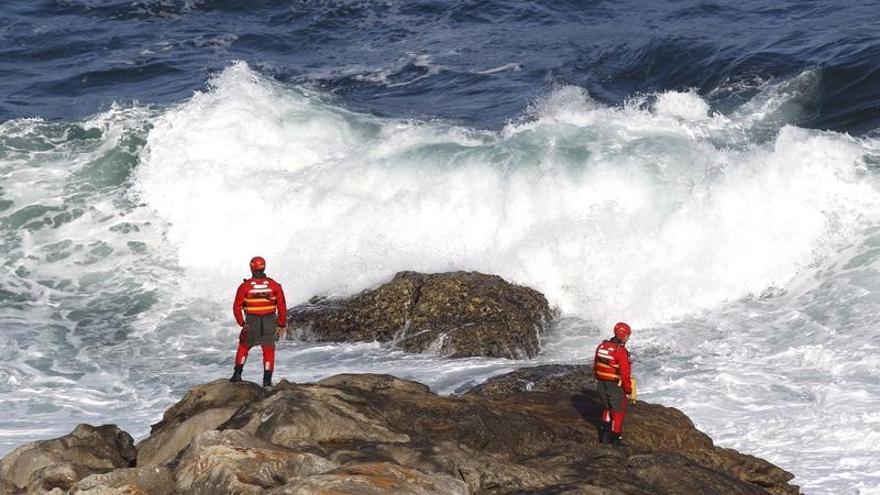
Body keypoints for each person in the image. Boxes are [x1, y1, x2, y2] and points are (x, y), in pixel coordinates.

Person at [230, 256, 287, 387]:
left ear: (251, 268)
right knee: (268, 350)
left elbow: (236, 307)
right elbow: (282, 306)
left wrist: (242, 323)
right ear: (264, 267)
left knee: (244, 346)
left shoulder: (244, 286)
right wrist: (282, 324)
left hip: (252, 321)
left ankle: (237, 375)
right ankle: (267, 381)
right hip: (270, 321)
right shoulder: (274, 285)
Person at [593, 321, 633, 447]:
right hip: (614, 386)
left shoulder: (601, 346)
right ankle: (616, 439)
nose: (628, 338)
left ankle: (605, 436)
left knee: (606, 408)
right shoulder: (620, 351)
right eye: (628, 335)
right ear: (624, 336)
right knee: (618, 412)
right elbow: (625, 374)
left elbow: (595, 365)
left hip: (601, 383)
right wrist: (628, 389)